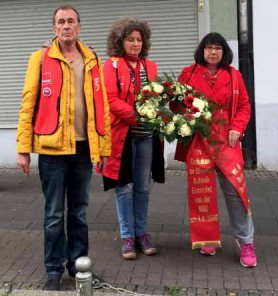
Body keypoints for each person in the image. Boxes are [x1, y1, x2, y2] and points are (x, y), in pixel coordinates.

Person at [16, 5, 111, 290]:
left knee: (79, 213)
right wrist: (23, 148)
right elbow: (28, 103)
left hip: (84, 149)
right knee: (54, 214)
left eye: (71, 21)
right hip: (52, 151)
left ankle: (78, 267)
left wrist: (103, 148)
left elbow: (102, 106)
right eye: (61, 22)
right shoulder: (40, 59)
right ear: (54, 28)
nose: (66, 26)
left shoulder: (92, 59)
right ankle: (53, 270)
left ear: (79, 27)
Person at [175, 32, 257, 268]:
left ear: (224, 52)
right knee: (203, 191)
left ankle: (246, 242)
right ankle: (205, 238)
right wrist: (183, 116)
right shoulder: (188, 74)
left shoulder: (233, 75)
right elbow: (177, 103)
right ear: (202, 50)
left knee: (235, 192)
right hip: (199, 141)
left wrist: (237, 128)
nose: (213, 52)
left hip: (226, 142)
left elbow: (243, 106)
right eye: (209, 48)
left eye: (218, 49)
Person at [99, 18, 165, 260]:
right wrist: (135, 115)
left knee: (143, 187)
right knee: (124, 187)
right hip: (123, 136)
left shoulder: (151, 65)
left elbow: (157, 96)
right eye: (130, 39)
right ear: (121, 42)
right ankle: (127, 237)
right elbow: (110, 98)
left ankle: (141, 233)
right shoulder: (111, 66)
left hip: (147, 137)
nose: (135, 43)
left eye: (139, 39)